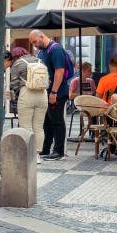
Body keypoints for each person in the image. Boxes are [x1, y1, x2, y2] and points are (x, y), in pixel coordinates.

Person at [30, 29, 70, 161]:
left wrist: (54, 92)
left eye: (35, 41)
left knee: (56, 120)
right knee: (47, 121)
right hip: (47, 91)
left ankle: (59, 151)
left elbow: (59, 71)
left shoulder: (56, 49)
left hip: (57, 92)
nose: (34, 45)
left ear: (41, 36)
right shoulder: (42, 51)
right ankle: (45, 149)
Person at [9, 46, 47, 164]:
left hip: (27, 93)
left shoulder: (18, 63)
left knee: (26, 126)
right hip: (42, 94)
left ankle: (28, 155)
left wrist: (18, 93)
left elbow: (14, 82)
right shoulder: (40, 60)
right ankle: (37, 155)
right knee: (39, 127)